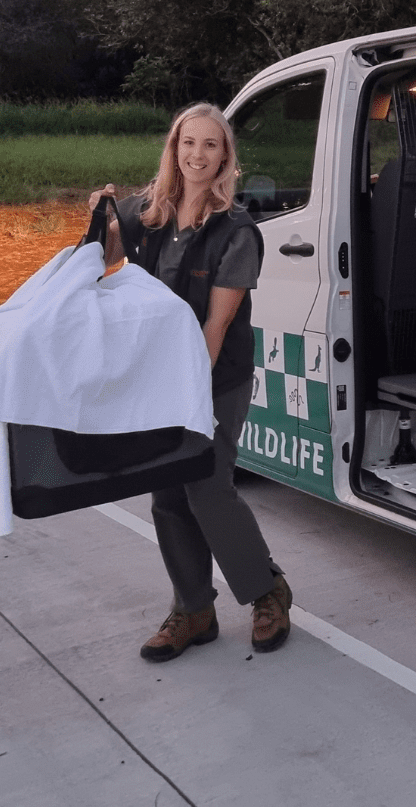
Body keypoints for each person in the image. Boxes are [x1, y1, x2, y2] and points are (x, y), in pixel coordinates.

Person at [89, 103, 291, 662]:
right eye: (188, 143)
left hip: (213, 376)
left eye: (210, 145)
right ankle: (194, 609)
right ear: (173, 149)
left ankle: (266, 590)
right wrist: (102, 221)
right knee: (167, 490)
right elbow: (107, 267)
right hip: (157, 379)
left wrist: (186, 396)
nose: (197, 156)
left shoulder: (237, 231)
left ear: (225, 156)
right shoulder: (144, 214)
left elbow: (215, 326)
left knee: (207, 486)